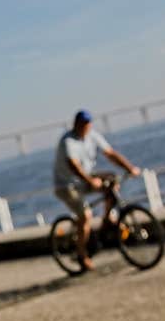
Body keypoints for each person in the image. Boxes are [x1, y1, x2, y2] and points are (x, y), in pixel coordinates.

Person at [53, 110, 141, 271]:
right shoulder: (68, 142)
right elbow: (74, 166)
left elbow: (110, 153)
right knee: (85, 216)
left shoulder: (93, 136)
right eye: (83, 124)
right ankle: (82, 255)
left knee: (112, 181)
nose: (86, 127)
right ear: (76, 124)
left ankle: (107, 219)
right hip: (66, 185)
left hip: (84, 178)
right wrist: (91, 181)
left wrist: (130, 168)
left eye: (88, 124)